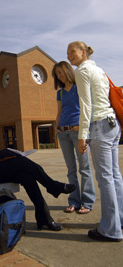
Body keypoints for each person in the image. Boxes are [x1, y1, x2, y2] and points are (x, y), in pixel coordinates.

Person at [0, 98, 76, 231]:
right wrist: (3, 160)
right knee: (20, 161)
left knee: (27, 176)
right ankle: (52, 185)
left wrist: (2, 156)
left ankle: (44, 218)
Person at [67, 41, 123, 242]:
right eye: (67, 53)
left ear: (83, 52)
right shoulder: (99, 70)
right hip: (113, 125)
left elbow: (86, 106)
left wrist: (83, 135)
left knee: (106, 178)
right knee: (114, 175)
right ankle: (119, 220)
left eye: (72, 51)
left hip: (99, 125)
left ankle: (110, 229)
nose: (69, 56)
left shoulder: (82, 72)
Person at [53, 61, 96, 214]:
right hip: (63, 133)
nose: (59, 76)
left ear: (67, 70)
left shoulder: (80, 86)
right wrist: (56, 127)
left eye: (60, 72)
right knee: (71, 169)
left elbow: (88, 108)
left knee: (84, 168)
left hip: (78, 132)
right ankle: (74, 201)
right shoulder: (61, 92)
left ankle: (88, 202)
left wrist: (83, 128)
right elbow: (59, 112)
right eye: (57, 74)